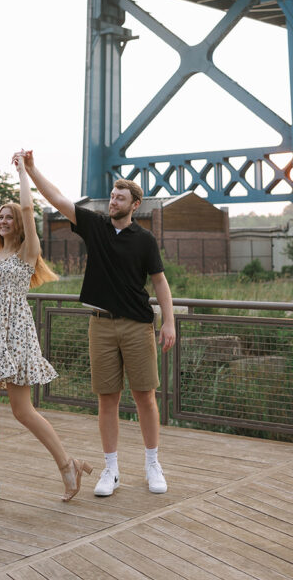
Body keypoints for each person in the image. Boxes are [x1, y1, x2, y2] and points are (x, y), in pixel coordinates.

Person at [14, 149, 176, 496]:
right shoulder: (95, 226)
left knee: (145, 396)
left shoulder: (145, 240)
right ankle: (111, 470)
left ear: (135, 205)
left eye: (120, 198)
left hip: (136, 325)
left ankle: (152, 465)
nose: (113, 201)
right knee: (107, 399)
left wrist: (169, 323)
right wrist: (31, 169)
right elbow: (57, 198)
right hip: (100, 324)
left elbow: (160, 282)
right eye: (113, 196)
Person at [0, 154, 92, 508]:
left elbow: (30, 210)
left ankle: (68, 464)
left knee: (21, 409)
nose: (3, 220)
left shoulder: (28, 252)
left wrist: (22, 173)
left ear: (18, 224)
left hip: (16, 333)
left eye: (9, 217)